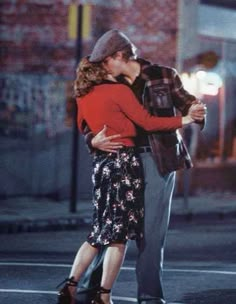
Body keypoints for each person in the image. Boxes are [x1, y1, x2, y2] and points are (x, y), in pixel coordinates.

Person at [57, 57, 205, 304]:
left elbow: (84, 127)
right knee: (118, 235)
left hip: (102, 165)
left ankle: (72, 285)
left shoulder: (83, 95)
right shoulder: (119, 90)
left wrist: (94, 140)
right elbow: (147, 122)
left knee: (98, 232)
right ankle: (103, 295)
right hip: (126, 164)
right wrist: (185, 120)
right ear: (108, 65)